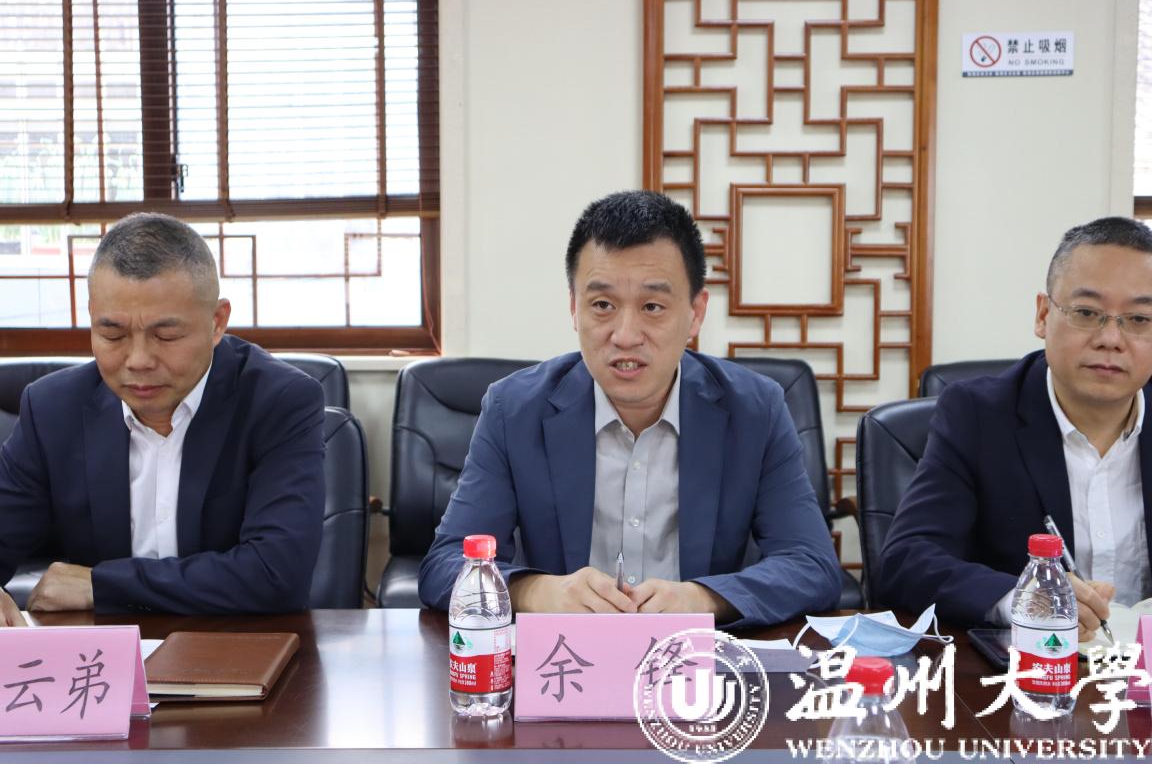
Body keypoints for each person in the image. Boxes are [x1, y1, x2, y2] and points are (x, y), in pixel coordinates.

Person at [418, 190, 841, 627]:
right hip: (566, 656)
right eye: (602, 305)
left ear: (695, 313)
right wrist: (539, 591)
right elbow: (444, 566)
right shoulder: (514, 410)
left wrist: (704, 599)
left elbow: (811, 565)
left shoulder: (755, 409)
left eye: (652, 306)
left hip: (694, 658)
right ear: (574, 308)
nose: (625, 335)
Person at [0, 213, 326, 626]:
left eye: (166, 336)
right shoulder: (52, 409)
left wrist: (104, 584)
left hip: (237, 647)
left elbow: (277, 574)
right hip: (101, 658)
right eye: (113, 334)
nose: (138, 360)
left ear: (217, 322)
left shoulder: (279, 401)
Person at [880, 216, 1152, 641]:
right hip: (1026, 664)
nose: (1111, 339)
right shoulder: (977, 415)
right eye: (1087, 313)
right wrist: (1024, 598)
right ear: (1043, 315)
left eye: (1138, 319)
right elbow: (907, 561)